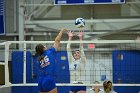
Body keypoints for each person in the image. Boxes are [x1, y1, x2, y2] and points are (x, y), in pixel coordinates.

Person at [35, 28, 67, 93]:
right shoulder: (50, 52)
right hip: (48, 79)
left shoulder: (38, 59)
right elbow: (57, 40)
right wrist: (61, 31)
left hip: (40, 81)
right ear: (43, 48)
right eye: (44, 46)